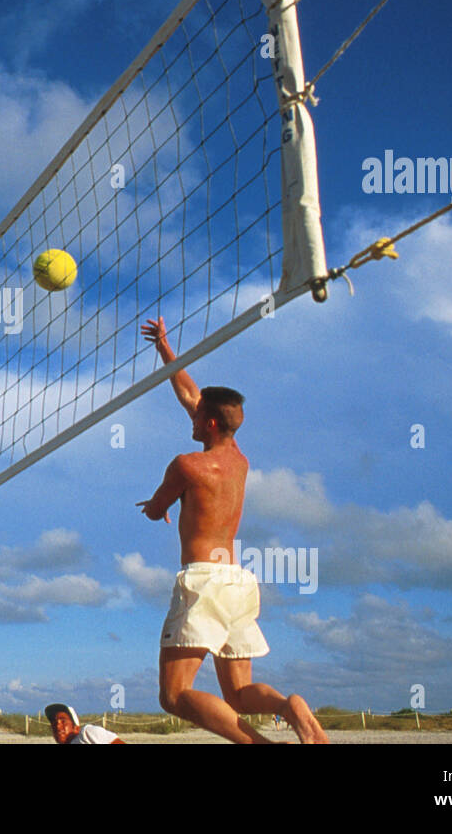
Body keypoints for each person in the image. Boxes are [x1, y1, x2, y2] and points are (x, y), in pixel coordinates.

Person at [136, 316, 329, 744]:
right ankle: (286, 705)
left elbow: (156, 509)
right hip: (238, 581)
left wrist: (154, 507)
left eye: (197, 413)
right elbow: (191, 393)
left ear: (208, 424)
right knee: (239, 694)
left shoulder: (187, 464)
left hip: (203, 580)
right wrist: (165, 349)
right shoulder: (239, 459)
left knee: (174, 694)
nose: (191, 413)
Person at [44, 703, 124, 744]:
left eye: (63, 721)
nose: (57, 726)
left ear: (76, 726)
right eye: (54, 723)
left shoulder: (87, 733)